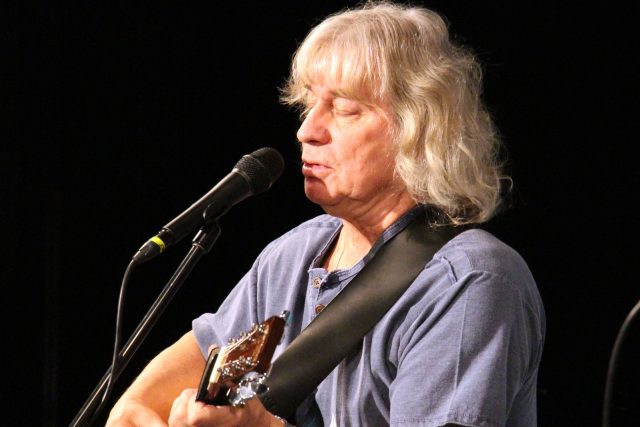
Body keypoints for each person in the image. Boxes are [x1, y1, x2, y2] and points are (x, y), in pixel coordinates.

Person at [106, 2, 545, 426]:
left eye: (344, 108)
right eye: (309, 104)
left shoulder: (469, 282)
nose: (306, 131)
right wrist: (134, 412)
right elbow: (145, 402)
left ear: (420, 129)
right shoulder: (292, 258)